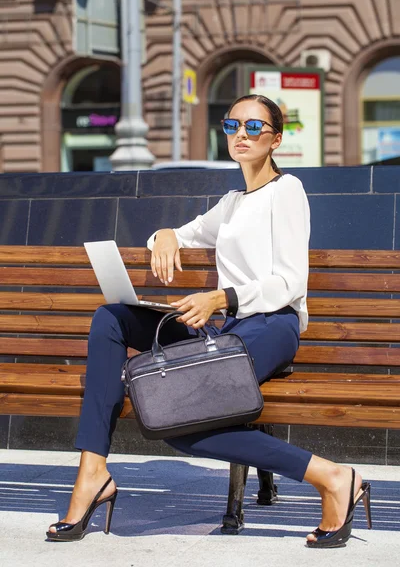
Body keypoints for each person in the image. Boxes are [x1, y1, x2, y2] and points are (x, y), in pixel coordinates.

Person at [47, 94, 371, 547]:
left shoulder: (287, 191)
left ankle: (333, 477)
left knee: (180, 420)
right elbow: (185, 231)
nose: (241, 134)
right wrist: (162, 234)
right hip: (227, 331)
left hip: (271, 326)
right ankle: (92, 471)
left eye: (255, 127)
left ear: (276, 139)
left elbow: (291, 282)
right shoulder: (232, 202)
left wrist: (221, 297)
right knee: (111, 318)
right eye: (233, 124)